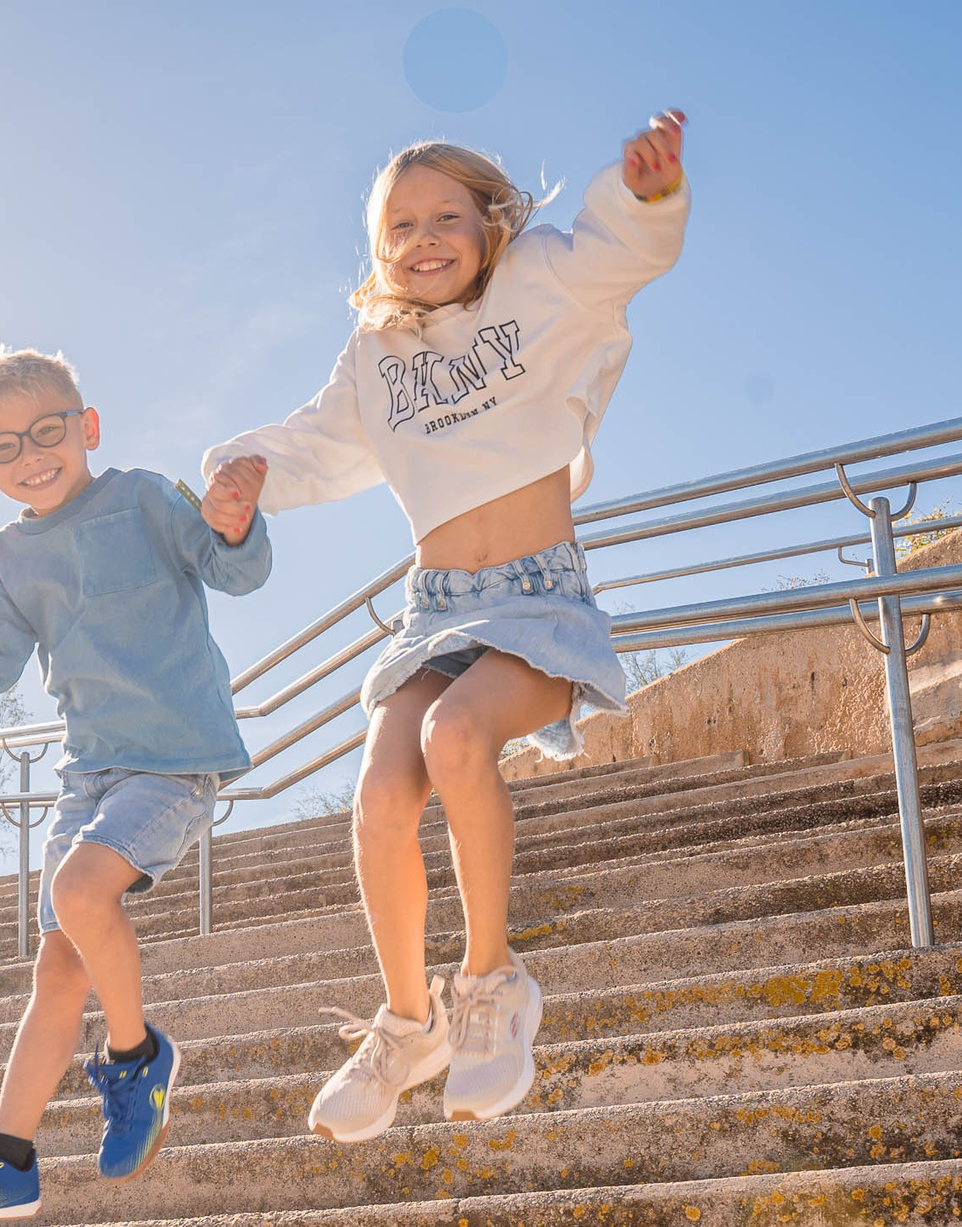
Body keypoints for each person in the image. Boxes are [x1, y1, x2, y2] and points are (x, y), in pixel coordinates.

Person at [203, 111, 688, 1143]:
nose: (423, 240)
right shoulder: (378, 351)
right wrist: (245, 471)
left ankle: (490, 984)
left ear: (490, 222)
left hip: (538, 602)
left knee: (455, 738)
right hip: (438, 613)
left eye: (445, 218)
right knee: (381, 790)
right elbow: (317, 442)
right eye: (400, 228)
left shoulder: (539, 286)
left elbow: (618, 256)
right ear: (378, 251)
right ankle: (407, 1021)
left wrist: (644, 195)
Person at [0, 347, 271, 1227]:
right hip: (88, 776)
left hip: (173, 759)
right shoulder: (6, 556)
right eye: (3, 447)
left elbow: (236, 574)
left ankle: (138, 1057)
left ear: (87, 427)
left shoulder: (143, 497)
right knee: (59, 967)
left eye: (47, 432)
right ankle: (9, 1159)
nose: (30, 455)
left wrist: (233, 520)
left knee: (76, 890)